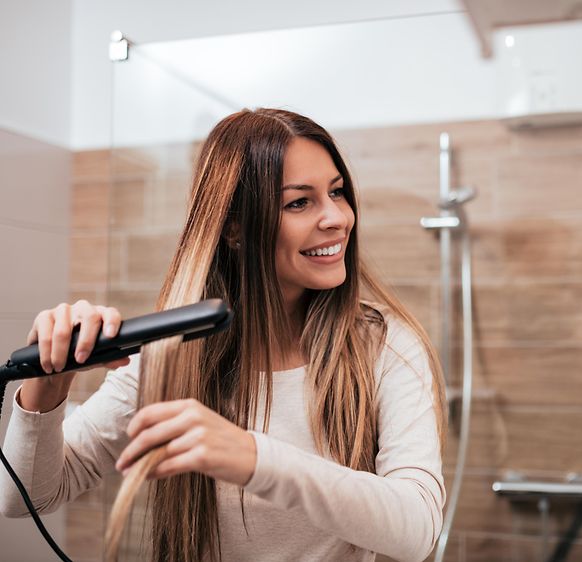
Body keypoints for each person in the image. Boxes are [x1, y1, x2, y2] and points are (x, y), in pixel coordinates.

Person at [0, 108, 446, 562]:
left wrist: (255, 458)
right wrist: (47, 389)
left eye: (336, 192)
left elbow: (419, 529)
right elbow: (25, 497)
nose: (337, 217)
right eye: (299, 202)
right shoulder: (169, 357)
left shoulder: (384, 344)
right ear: (234, 228)